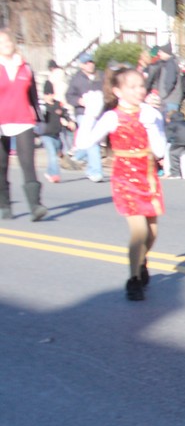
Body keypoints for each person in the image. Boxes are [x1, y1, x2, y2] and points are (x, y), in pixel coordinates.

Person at [74, 66, 168, 301]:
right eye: (132, 87)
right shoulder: (112, 116)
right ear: (118, 91)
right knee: (139, 230)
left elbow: (159, 150)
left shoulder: (149, 113)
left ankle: (141, 260)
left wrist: (154, 125)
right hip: (126, 177)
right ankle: (133, 279)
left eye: (141, 86)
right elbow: (84, 143)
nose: (139, 91)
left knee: (152, 233)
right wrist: (89, 114)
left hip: (148, 175)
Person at [0, 29, 46, 221]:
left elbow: (33, 96)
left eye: (8, 40)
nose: (6, 44)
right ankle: (4, 205)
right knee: (2, 166)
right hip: (1, 120)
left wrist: (40, 117)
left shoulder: (25, 67)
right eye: (2, 42)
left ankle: (35, 206)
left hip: (23, 119)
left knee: (28, 164)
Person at [65, 52, 105, 183]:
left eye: (91, 62)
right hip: (83, 113)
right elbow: (69, 96)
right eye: (87, 62)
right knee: (92, 141)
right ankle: (96, 171)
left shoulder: (100, 76)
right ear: (82, 65)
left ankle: (78, 157)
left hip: (98, 112)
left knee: (93, 141)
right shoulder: (76, 79)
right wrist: (78, 100)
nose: (90, 65)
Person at [38, 81, 75, 184]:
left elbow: (65, 113)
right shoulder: (42, 106)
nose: (49, 96)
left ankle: (49, 172)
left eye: (51, 94)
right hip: (46, 135)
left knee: (57, 153)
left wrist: (70, 121)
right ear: (44, 95)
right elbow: (38, 117)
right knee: (52, 155)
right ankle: (55, 175)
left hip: (57, 135)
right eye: (47, 94)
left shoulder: (58, 104)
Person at [152, 44, 183, 113]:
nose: (159, 53)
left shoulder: (170, 64)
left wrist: (162, 96)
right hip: (169, 100)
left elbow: (170, 81)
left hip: (169, 100)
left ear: (166, 52)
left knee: (169, 121)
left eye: (161, 52)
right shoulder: (168, 63)